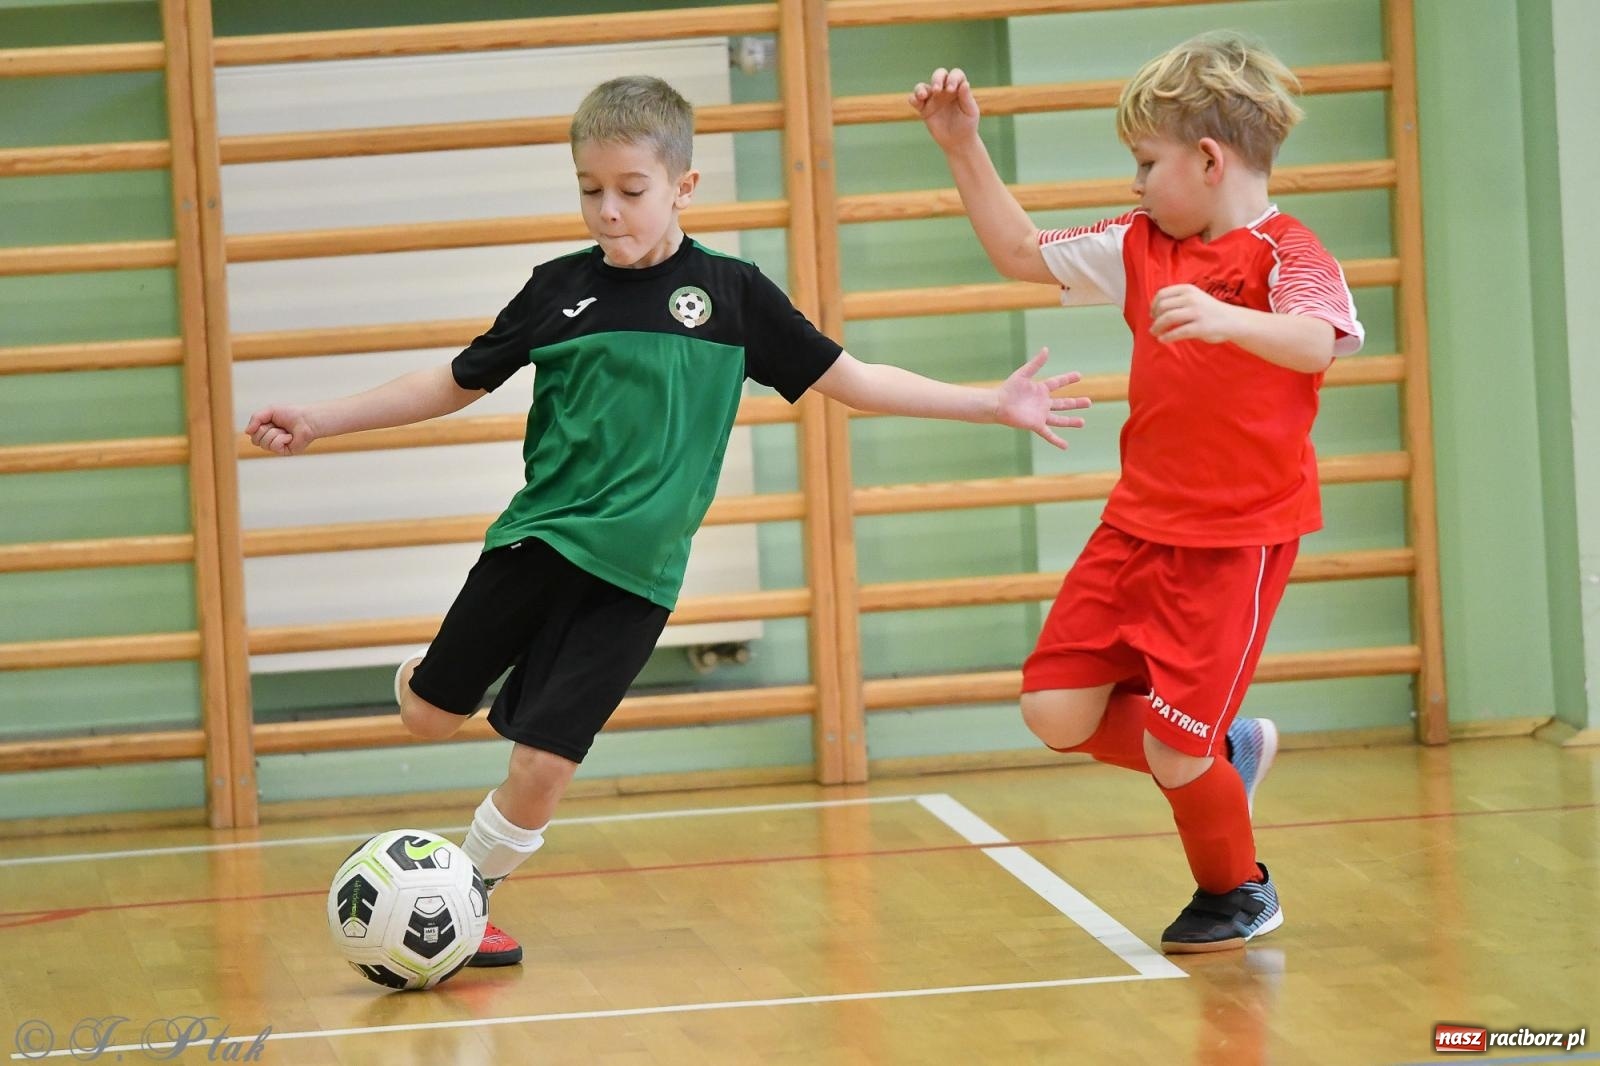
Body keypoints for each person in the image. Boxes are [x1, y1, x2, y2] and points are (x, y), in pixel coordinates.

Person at [246, 74, 1091, 968]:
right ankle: (438, 675)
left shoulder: (732, 297)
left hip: (636, 577)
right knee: (425, 718)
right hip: (537, 543)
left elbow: (855, 379)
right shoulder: (554, 290)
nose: (608, 212)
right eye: (589, 190)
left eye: (631, 191)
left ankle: (469, 896)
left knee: (545, 759)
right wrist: (321, 418)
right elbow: (450, 384)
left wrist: (990, 405)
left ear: (684, 187)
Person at [911, 32, 1363, 953]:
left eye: (1144, 162)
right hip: (1134, 529)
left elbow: (1319, 341)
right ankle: (1218, 757)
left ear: (1207, 159)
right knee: (1055, 711)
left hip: (1236, 542)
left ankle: (1237, 890)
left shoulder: (1291, 253)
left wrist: (1230, 317)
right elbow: (1017, 251)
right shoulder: (1139, 243)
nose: (1133, 183)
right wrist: (961, 143)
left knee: (1170, 746)